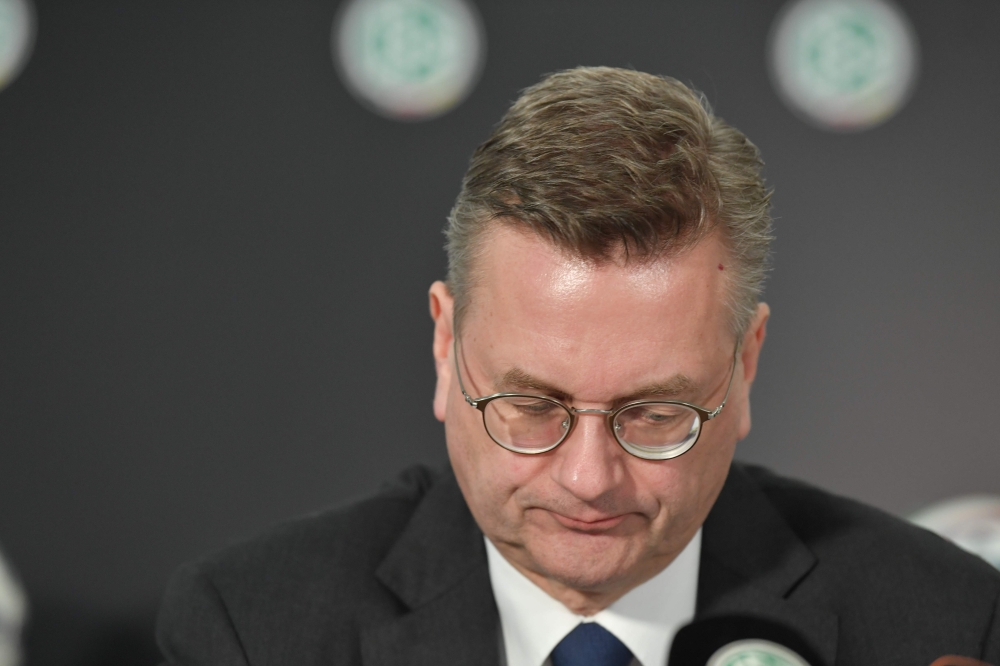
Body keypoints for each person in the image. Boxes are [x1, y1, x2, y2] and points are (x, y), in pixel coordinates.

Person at [156, 67, 1000, 666]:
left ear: (746, 366)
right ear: (447, 348)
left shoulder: (944, 624)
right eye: (530, 404)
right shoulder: (252, 631)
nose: (590, 479)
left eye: (655, 414)